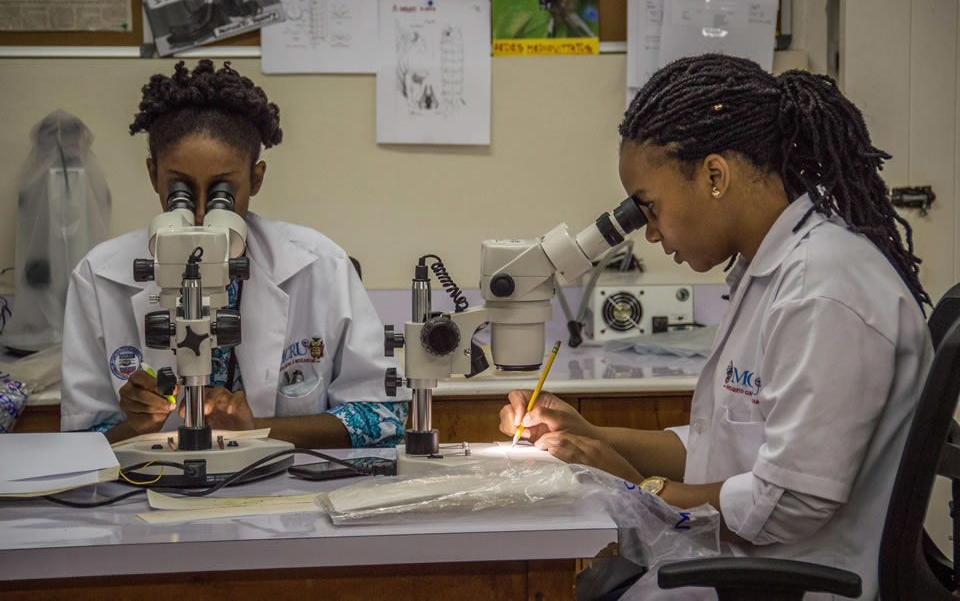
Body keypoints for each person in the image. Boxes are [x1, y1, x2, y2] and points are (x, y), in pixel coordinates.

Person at [499, 54, 933, 599]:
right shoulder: (772, 272)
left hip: (793, 583)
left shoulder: (821, 289)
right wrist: (590, 436)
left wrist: (636, 485)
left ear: (714, 176)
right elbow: (723, 449)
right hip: (745, 569)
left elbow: (788, 505)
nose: (650, 234)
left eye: (650, 208)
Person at [61, 59, 410, 448]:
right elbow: (78, 444)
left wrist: (257, 431)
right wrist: (136, 425)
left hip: (283, 493)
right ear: (152, 174)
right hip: (146, 492)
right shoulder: (99, 276)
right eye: (180, 188)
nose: (199, 212)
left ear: (256, 179)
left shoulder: (319, 266)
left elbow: (386, 416)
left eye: (222, 192)